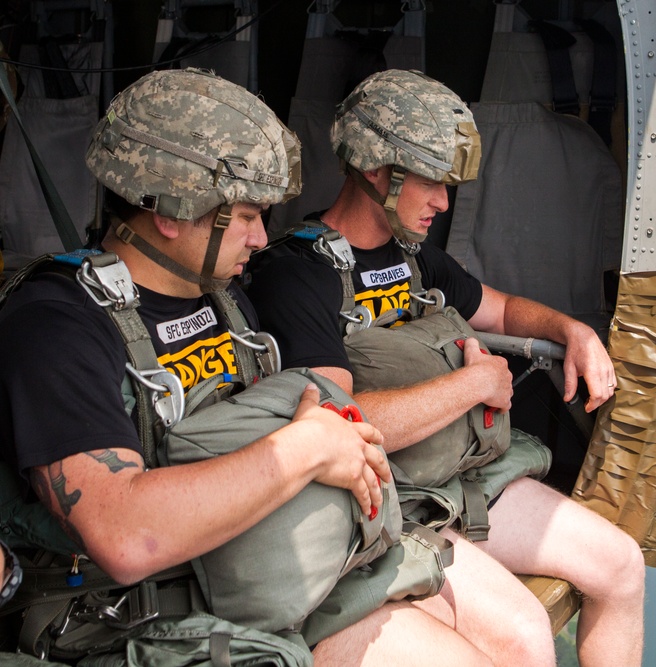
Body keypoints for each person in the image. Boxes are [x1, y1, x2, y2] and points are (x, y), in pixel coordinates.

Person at [0, 68, 493, 665]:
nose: (264, 238)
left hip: (269, 572)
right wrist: (303, 450)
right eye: (248, 215)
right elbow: (126, 534)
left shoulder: (223, 297)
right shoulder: (57, 325)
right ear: (172, 212)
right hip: (140, 614)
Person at [246, 69, 646, 667]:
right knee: (526, 640)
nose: (443, 201)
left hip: (453, 478)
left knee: (621, 566)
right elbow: (340, 421)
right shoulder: (299, 275)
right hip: (387, 500)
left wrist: (572, 330)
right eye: (432, 180)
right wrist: (473, 385)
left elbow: (502, 308)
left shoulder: (412, 259)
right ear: (378, 171)